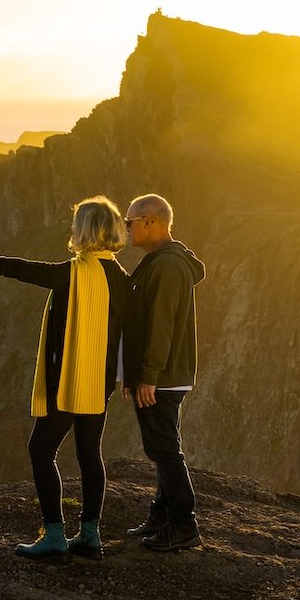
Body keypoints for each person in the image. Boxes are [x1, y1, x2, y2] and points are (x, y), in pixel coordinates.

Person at [0, 196, 130, 561]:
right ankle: (90, 536)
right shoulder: (122, 279)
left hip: (65, 382)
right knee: (89, 454)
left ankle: (54, 536)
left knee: (41, 449)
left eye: (76, 224)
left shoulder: (74, 272)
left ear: (86, 231)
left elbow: (30, 270)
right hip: (99, 383)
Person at [120, 193, 207, 551]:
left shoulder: (168, 265)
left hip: (163, 377)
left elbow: (162, 324)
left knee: (164, 449)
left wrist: (150, 375)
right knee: (161, 446)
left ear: (150, 222)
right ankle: (161, 516)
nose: (126, 229)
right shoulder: (160, 261)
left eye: (130, 222)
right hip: (161, 374)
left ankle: (184, 525)